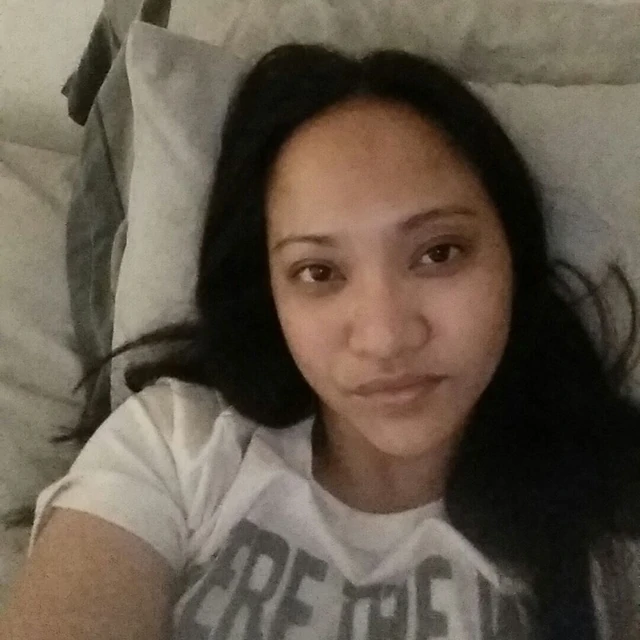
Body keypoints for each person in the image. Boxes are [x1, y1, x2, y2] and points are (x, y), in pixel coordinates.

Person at [1, 44, 639, 640]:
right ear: (269, 291)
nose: (385, 337)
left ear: (514, 257)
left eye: (439, 253)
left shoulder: (612, 513)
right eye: (318, 272)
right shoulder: (178, 446)